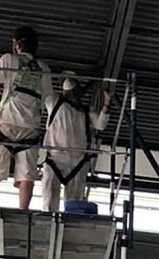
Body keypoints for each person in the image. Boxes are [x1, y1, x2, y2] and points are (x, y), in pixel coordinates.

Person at [0, 24, 53, 211]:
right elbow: (46, 98)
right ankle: (23, 211)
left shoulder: (8, 59)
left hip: (6, 124)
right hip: (31, 128)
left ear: (18, 45)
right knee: (26, 175)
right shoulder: (44, 68)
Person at [40, 74, 112, 214]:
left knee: (74, 204)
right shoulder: (55, 101)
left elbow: (100, 124)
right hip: (56, 159)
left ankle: (67, 224)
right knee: (49, 200)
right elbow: (44, 87)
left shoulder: (86, 111)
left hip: (77, 162)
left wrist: (106, 104)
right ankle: (48, 225)